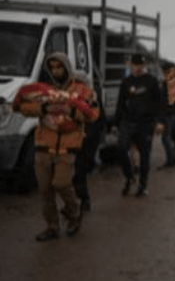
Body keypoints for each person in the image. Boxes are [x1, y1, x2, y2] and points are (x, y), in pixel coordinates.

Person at [12, 52, 99, 241]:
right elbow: (22, 108)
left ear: (66, 67)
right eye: (52, 68)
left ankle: (74, 212)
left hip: (67, 148)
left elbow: (92, 113)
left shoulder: (82, 91)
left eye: (59, 67)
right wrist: (44, 108)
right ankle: (52, 226)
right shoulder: (42, 90)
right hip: (43, 145)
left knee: (62, 184)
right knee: (45, 190)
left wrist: (71, 110)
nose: (56, 71)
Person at [112, 53, 165, 197]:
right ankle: (129, 177)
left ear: (144, 65)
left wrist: (160, 121)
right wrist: (116, 123)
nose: (137, 68)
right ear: (131, 65)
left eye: (140, 65)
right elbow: (120, 103)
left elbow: (160, 103)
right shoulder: (126, 82)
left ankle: (143, 184)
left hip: (145, 124)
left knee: (145, 156)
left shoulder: (152, 81)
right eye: (135, 65)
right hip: (128, 122)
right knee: (121, 149)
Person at [71, 70, 106, 212]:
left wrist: (89, 135)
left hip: (87, 140)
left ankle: (84, 200)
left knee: (79, 171)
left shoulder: (92, 99)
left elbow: (99, 120)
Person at [157, 79, 175, 170]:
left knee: (166, 138)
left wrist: (160, 119)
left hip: (166, 115)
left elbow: (162, 102)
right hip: (171, 114)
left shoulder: (166, 86)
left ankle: (171, 160)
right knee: (167, 138)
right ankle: (173, 158)